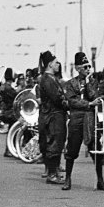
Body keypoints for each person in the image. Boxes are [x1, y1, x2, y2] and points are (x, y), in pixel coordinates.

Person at [61, 52, 92, 191]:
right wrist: (89, 104)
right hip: (76, 119)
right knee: (72, 149)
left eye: (89, 67)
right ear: (78, 68)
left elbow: (95, 96)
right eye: (85, 67)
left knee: (96, 148)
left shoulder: (92, 82)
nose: (88, 70)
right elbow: (72, 101)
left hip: (90, 119)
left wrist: (89, 83)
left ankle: (100, 180)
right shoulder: (70, 83)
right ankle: (67, 178)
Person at [38, 51, 67, 185]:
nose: (58, 64)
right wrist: (68, 103)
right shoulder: (47, 79)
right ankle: (52, 174)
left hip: (56, 116)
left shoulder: (51, 78)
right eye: (56, 62)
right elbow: (57, 98)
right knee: (53, 145)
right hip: (52, 117)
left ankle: (54, 172)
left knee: (57, 144)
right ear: (50, 64)